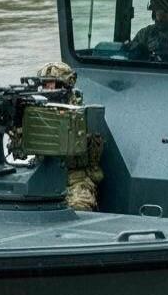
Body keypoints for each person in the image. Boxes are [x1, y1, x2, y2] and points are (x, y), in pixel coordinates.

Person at [9, 61, 103, 211]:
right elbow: (19, 153)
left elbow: (91, 153)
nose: (47, 89)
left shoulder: (80, 113)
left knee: (79, 207)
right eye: (44, 85)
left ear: (65, 85)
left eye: (51, 84)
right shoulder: (36, 111)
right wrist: (18, 126)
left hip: (76, 178)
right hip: (43, 173)